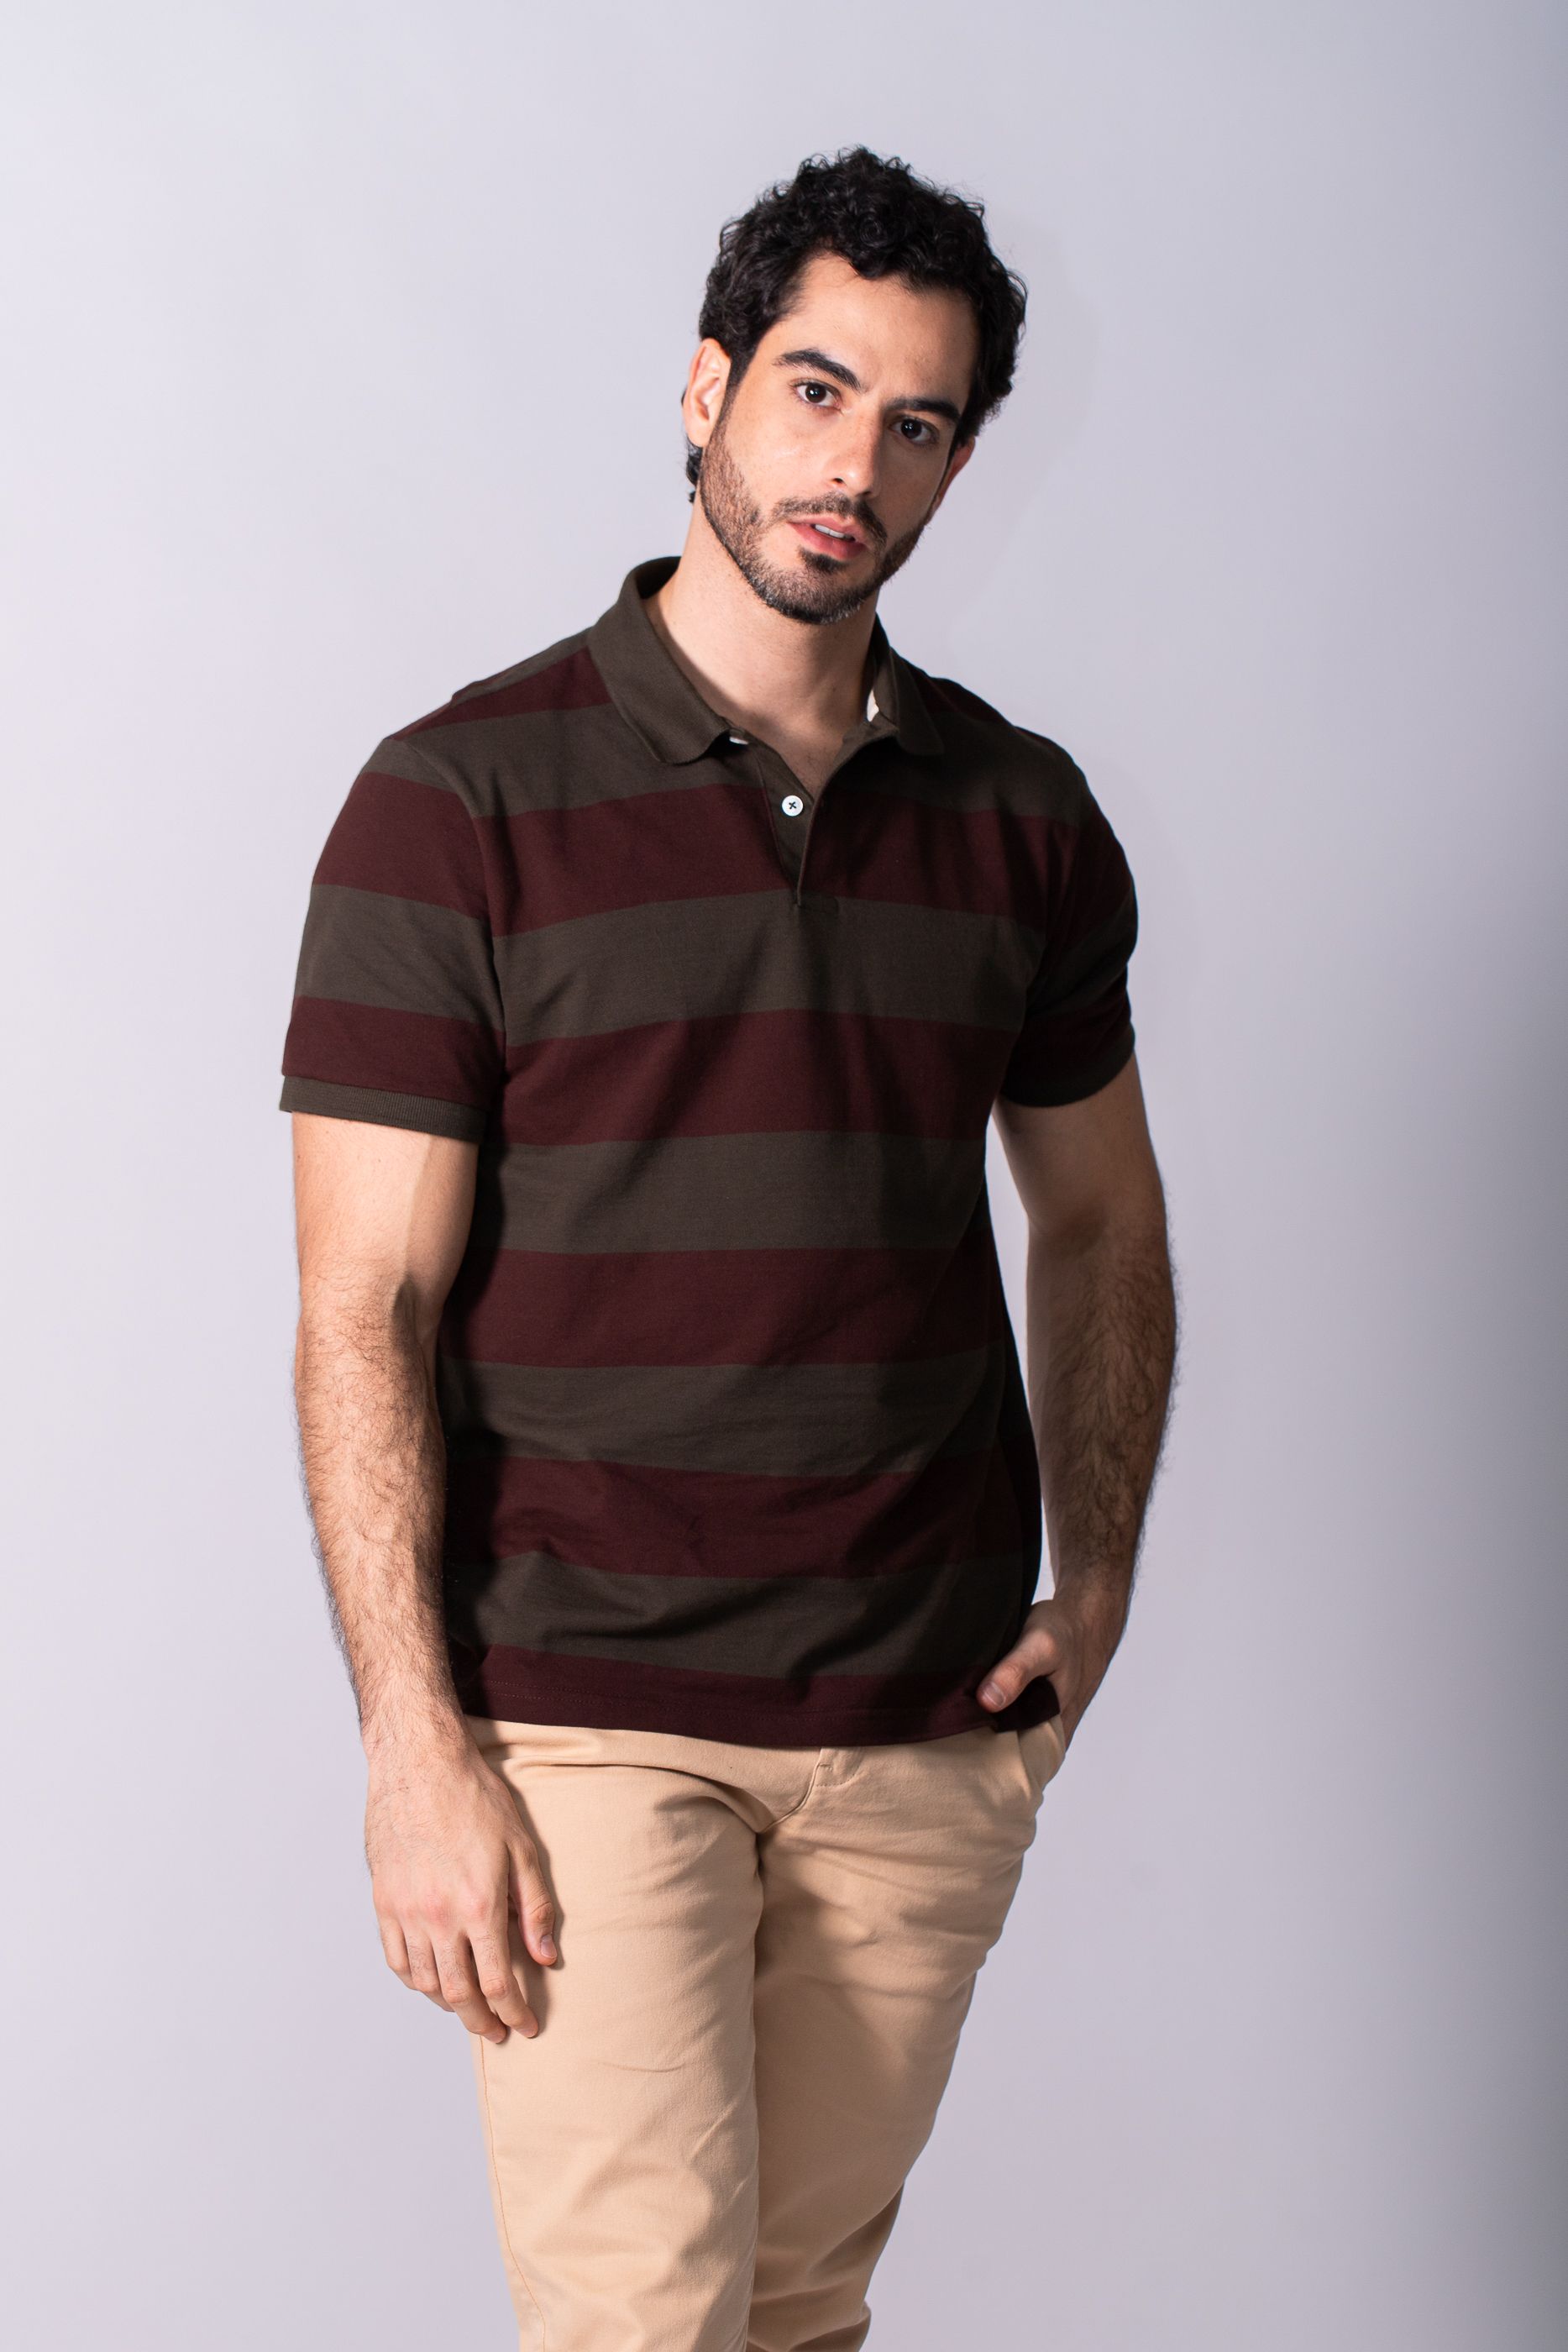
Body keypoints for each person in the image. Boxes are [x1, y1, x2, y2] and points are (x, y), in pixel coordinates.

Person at [283, 146, 1177, 2352]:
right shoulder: (456, 804)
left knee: (789, 2314)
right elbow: (362, 1308)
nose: (852, 464)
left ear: (956, 464)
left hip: (920, 1721)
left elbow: (1099, 1220)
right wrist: (414, 1748)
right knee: (646, 2324)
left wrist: (1098, 1585)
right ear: (706, 390)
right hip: (587, 1720)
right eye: (813, 388)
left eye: (917, 423)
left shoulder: (1022, 819)